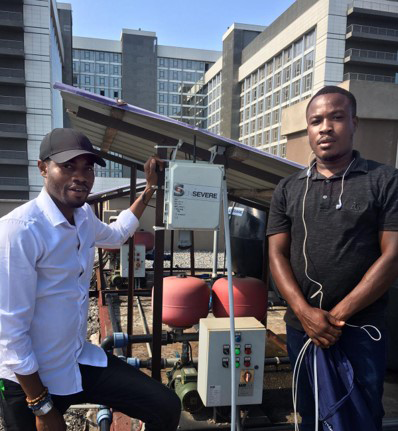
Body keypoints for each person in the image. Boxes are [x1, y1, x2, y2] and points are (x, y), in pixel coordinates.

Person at [0, 128, 181, 431]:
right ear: (43, 168)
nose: (81, 175)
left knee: (165, 406)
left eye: (87, 167)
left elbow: (117, 234)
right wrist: (42, 407)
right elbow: (10, 333)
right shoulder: (19, 231)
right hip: (29, 380)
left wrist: (149, 189)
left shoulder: (83, 217)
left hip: (75, 360)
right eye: (68, 166)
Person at [267, 86, 398, 430]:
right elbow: (277, 254)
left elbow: (393, 256)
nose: (325, 127)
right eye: (316, 120)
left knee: (360, 414)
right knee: (312, 414)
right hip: (302, 331)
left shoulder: (383, 180)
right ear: (308, 130)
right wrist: (304, 313)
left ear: (354, 123)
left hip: (359, 331)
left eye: (337, 117)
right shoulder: (288, 188)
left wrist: (336, 317)